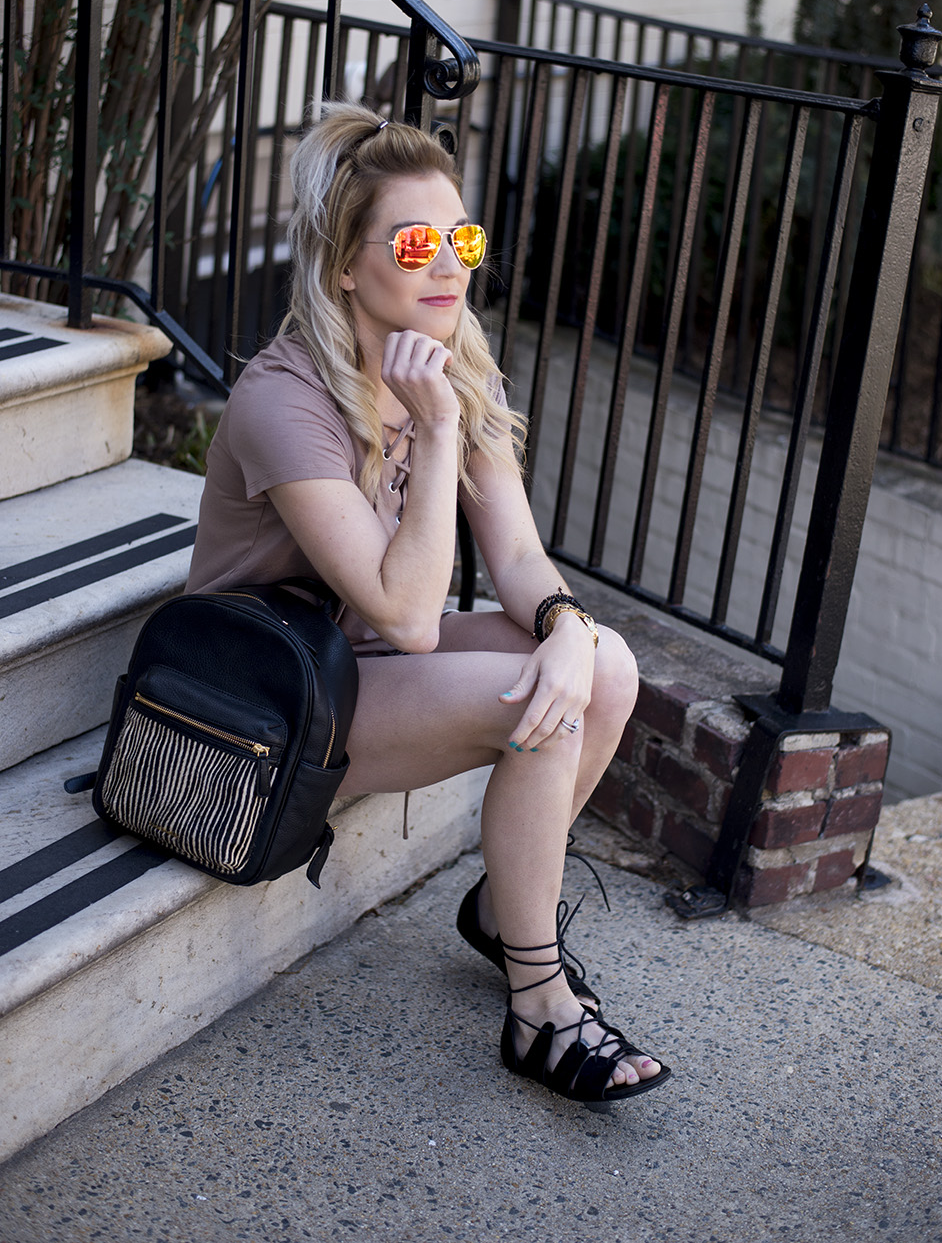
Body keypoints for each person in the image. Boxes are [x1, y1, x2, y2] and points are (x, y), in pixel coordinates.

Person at [186, 102, 669, 1111]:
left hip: (358, 671)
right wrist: (438, 428)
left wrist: (569, 627)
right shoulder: (286, 399)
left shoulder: (455, 361)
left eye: (463, 238)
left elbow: (522, 554)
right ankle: (539, 1004)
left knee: (605, 667)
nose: (449, 264)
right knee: (537, 704)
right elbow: (409, 616)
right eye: (417, 243)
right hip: (265, 702)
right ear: (344, 270)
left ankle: (504, 910)